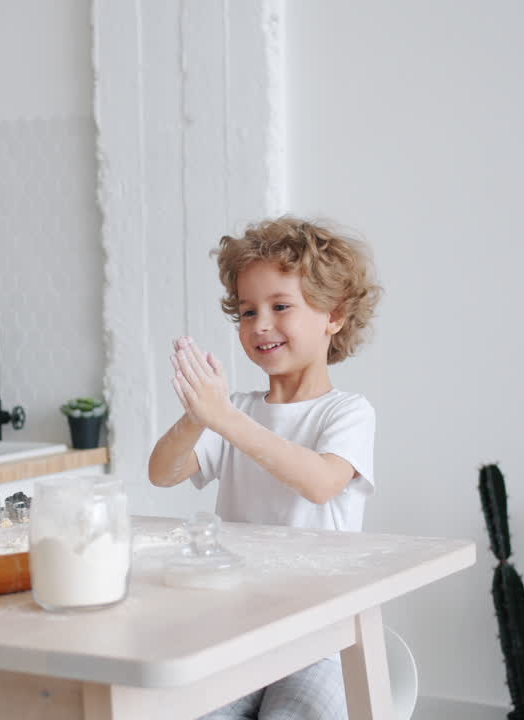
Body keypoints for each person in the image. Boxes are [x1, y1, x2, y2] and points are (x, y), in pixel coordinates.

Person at [147, 216, 382, 720]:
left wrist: (225, 418)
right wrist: (197, 417)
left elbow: (320, 483)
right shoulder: (235, 411)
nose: (260, 325)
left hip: (321, 637)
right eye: (248, 311)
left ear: (334, 315)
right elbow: (162, 472)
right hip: (237, 631)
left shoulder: (346, 413)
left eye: (280, 307)